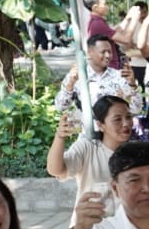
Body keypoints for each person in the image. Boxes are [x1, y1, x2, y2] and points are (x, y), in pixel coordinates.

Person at [48, 94, 134, 222]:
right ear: (100, 125)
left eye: (128, 117)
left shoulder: (136, 152)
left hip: (126, 227)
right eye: (117, 119)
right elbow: (55, 170)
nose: (126, 123)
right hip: (89, 227)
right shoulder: (87, 148)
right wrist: (60, 137)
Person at [56, 36, 140, 115]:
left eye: (109, 52)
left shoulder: (119, 76)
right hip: (87, 126)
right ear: (89, 53)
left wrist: (132, 85)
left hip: (113, 125)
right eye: (103, 52)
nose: (107, 55)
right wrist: (70, 84)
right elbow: (60, 107)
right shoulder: (78, 76)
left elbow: (136, 109)